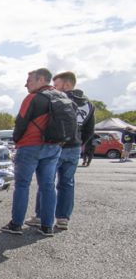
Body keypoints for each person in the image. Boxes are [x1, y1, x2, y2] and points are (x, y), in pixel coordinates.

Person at [25, 71, 94, 230]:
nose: (54, 88)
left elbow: (47, 122)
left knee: (46, 182)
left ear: (67, 84)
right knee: (67, 183)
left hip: (56, 146)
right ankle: (63, 218)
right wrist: (79, 142)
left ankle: (41, 216)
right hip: (75, 147)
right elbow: (90, 129)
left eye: (56, 85)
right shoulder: (89, 104)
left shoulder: (59, 99)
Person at [1, 68, 63, 237]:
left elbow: (20, 122)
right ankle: (47, 226)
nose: (26, 84)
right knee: (48, 186)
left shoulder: (33, 98)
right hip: (54, 147)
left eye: (29, 81)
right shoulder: (61, 97)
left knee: (22, 185)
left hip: (30, 145)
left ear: (41, 80)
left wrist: (17, 140)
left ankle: (16, 224)